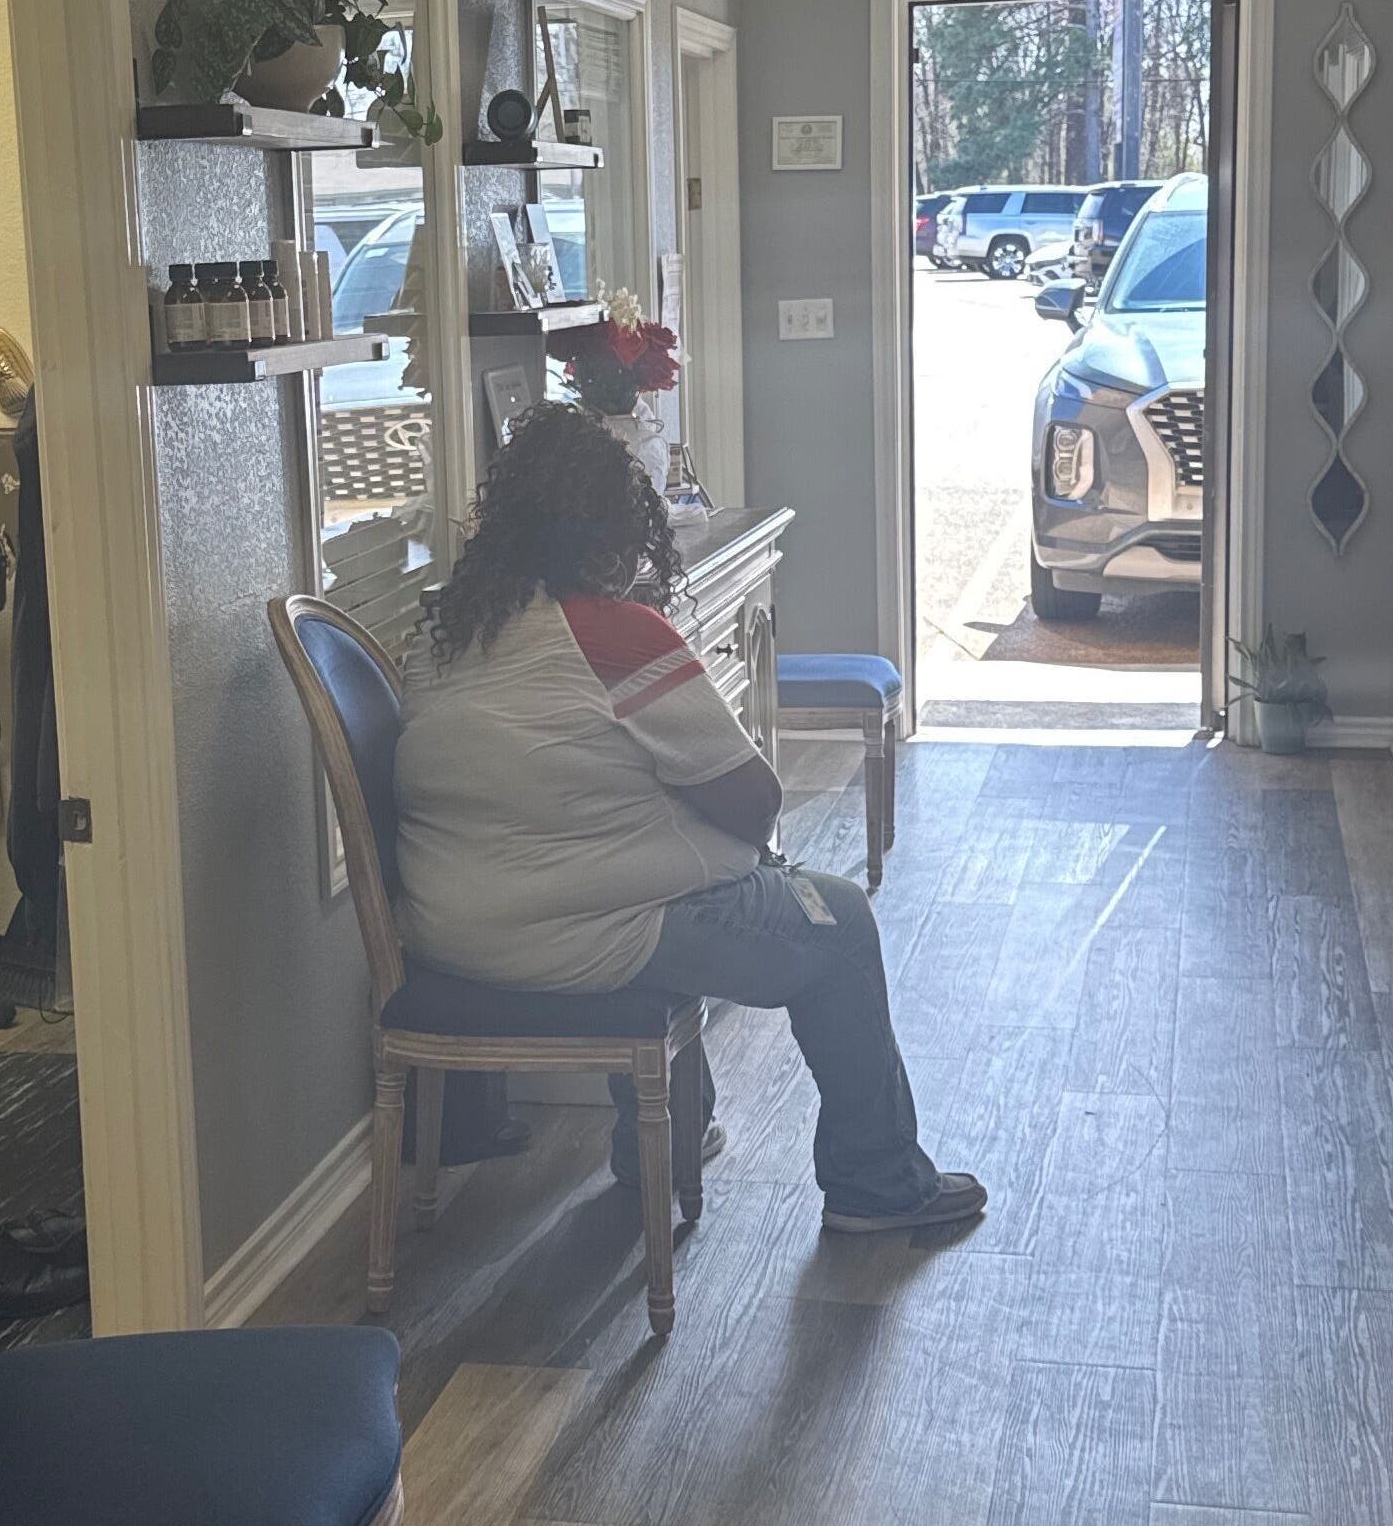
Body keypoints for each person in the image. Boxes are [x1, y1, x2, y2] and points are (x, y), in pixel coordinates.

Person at [392, 404, 983, 1234]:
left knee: (656, 880)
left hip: (451, 932)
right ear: (612, 533)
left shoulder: (444, 632)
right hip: (581, 934)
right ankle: (876, 1183)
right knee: (839, 921)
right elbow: (755, 800)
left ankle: (664, 1141)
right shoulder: (613, 636)